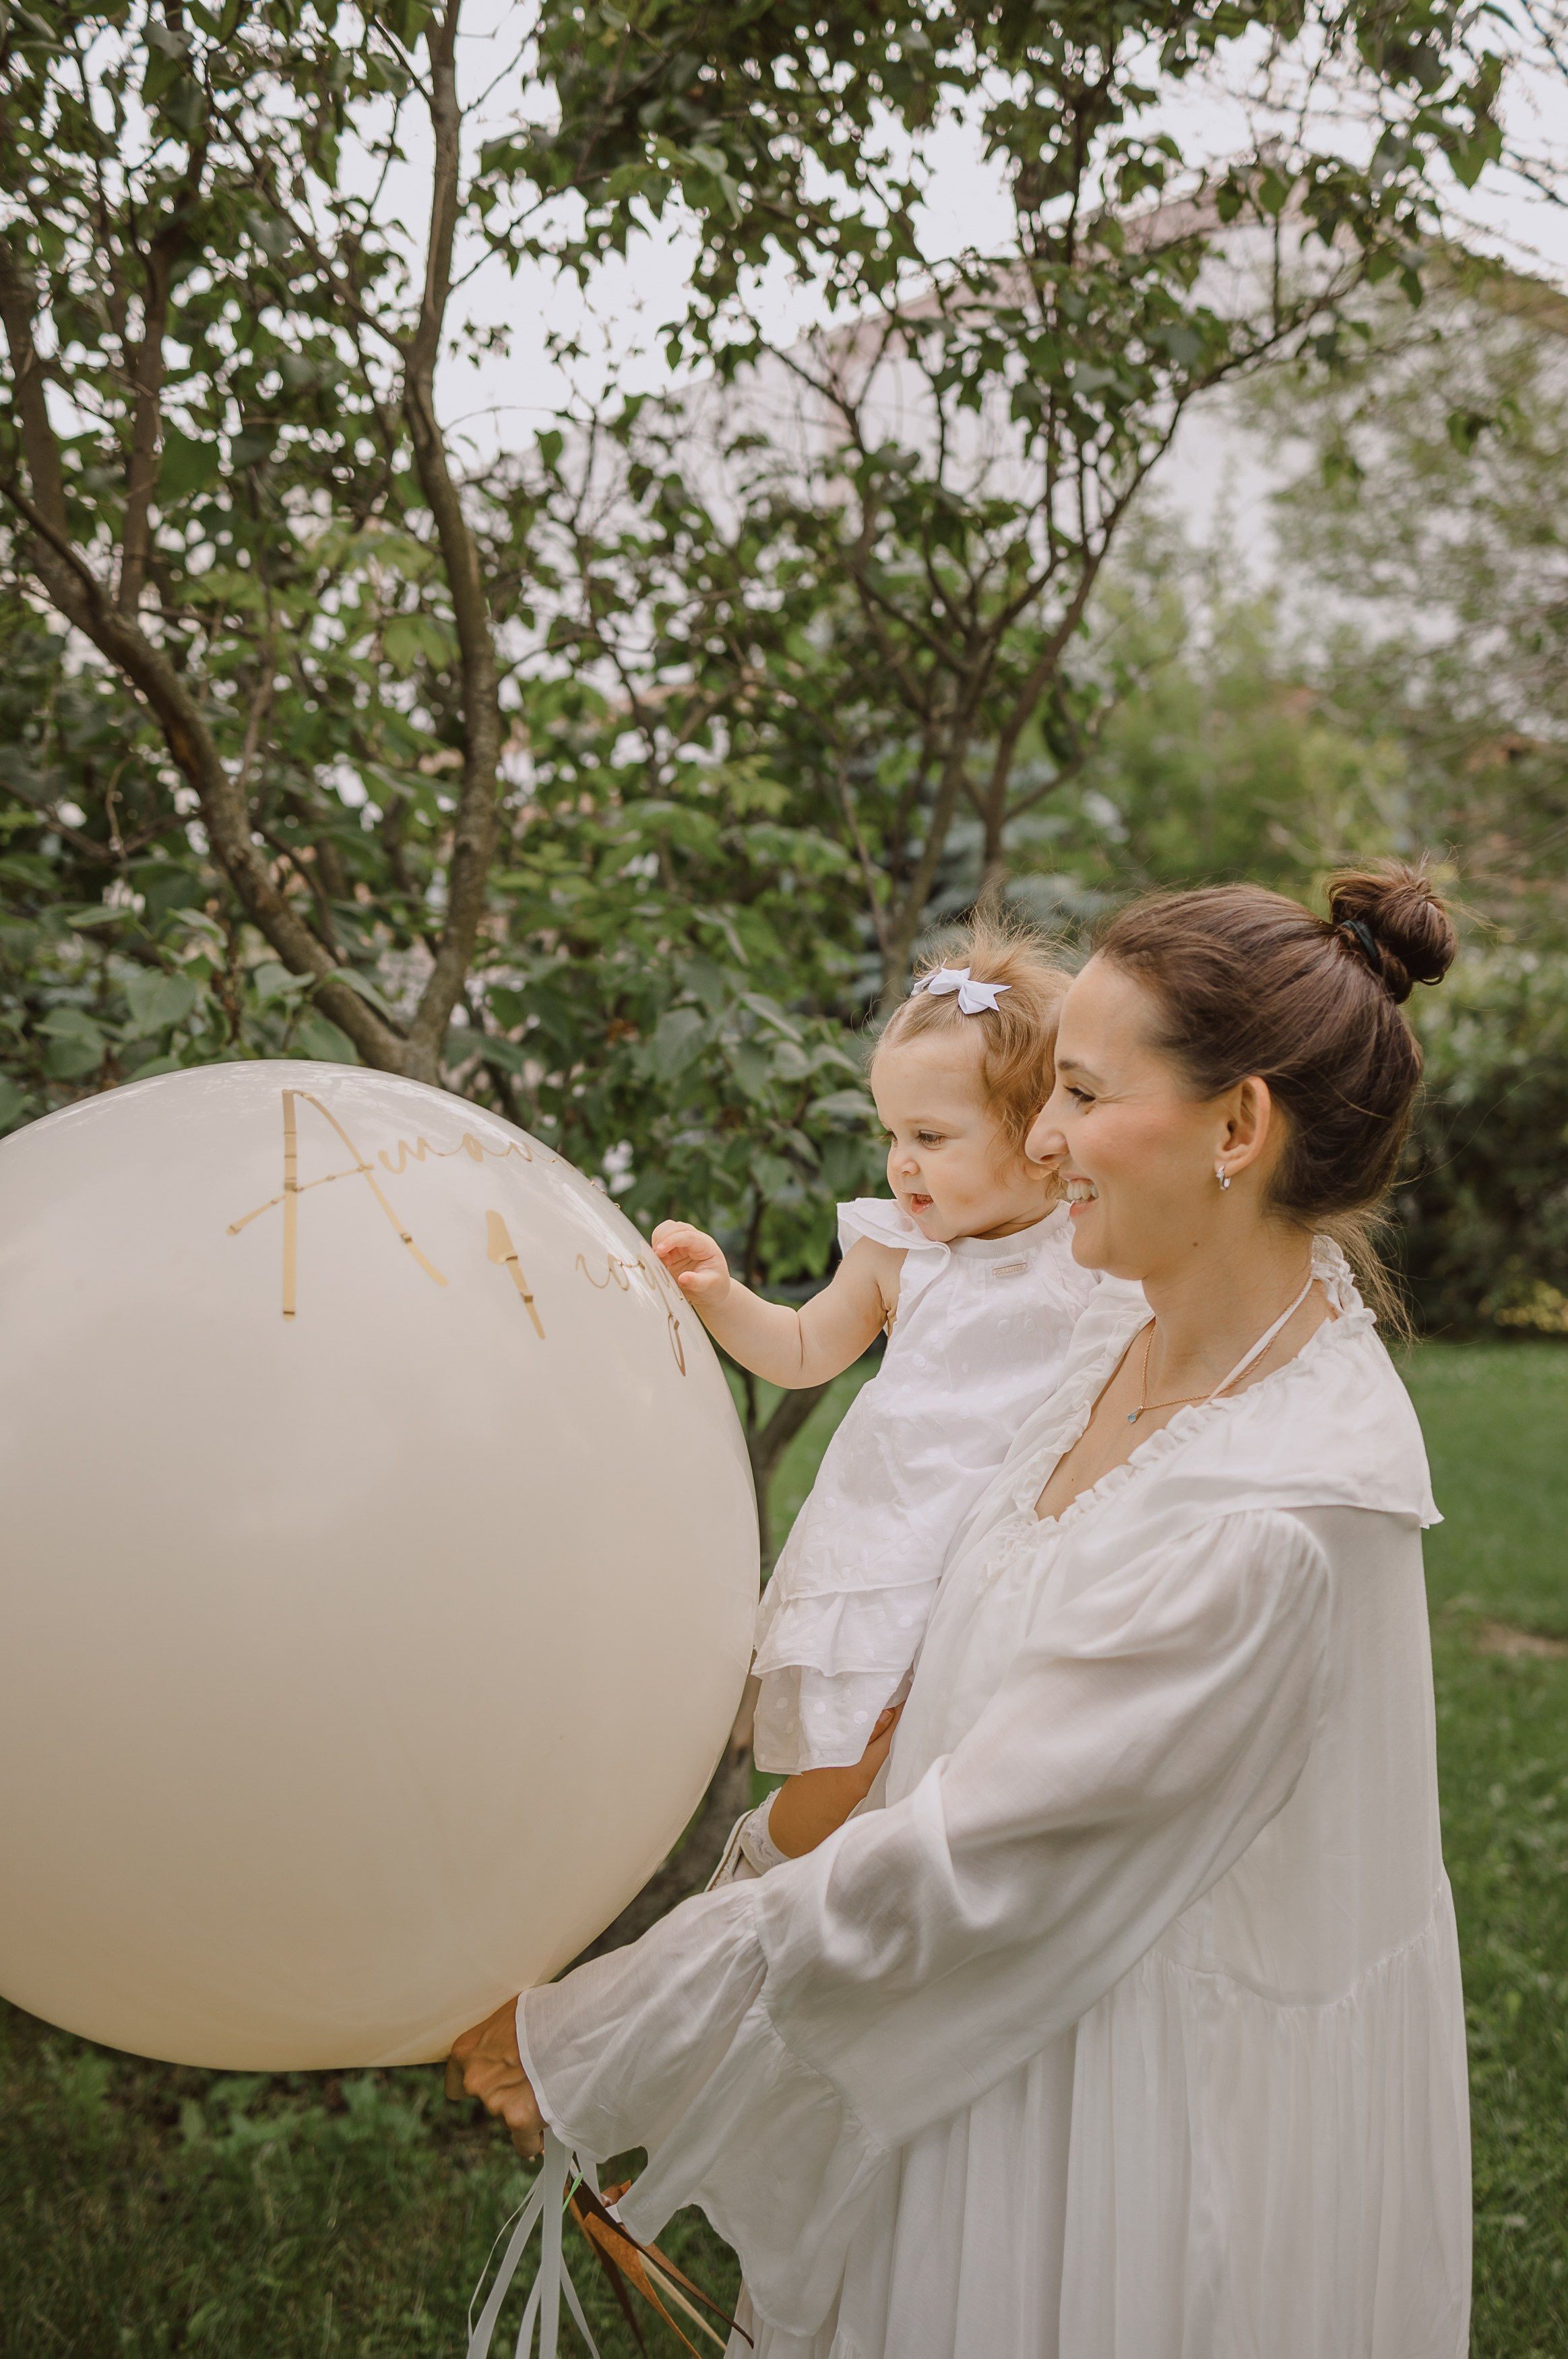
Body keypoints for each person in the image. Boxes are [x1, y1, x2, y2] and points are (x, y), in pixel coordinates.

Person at [451, 863, 1472, 2359]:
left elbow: (988, 1856)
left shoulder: (1278, 1513)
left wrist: (614, 2037)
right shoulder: (1116, 1340)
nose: (1039, 1142)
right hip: (974, 2053)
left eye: (1077, 1094)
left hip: (1124, 2136)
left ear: (1237, 1129)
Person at [653, 918, 1098, 1872]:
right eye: (893, 1135)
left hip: (1008, 1548)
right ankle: (761, 1880)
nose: (901, 1163)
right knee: (859, 1746)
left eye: (931, 1137)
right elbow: (806, 1348)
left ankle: (895, 1910)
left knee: (963, 1767)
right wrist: (724, 1296)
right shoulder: (898, 1250)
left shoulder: (1091, 1251)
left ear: (1042, 1143)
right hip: (898, 1536)